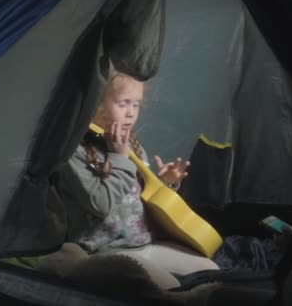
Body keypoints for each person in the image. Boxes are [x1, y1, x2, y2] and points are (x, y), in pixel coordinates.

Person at [55, 60, 219, 285]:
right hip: (107, 251)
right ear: (97, 105)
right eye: (123, 104)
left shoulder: (130, 143)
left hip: (144, 242)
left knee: (211, 272)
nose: (131, 114)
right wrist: (120, 158)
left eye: (136, 105)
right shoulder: (74, 151)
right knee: (169, 287)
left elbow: (134, 194)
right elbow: (101, 203)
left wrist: (165, 182)